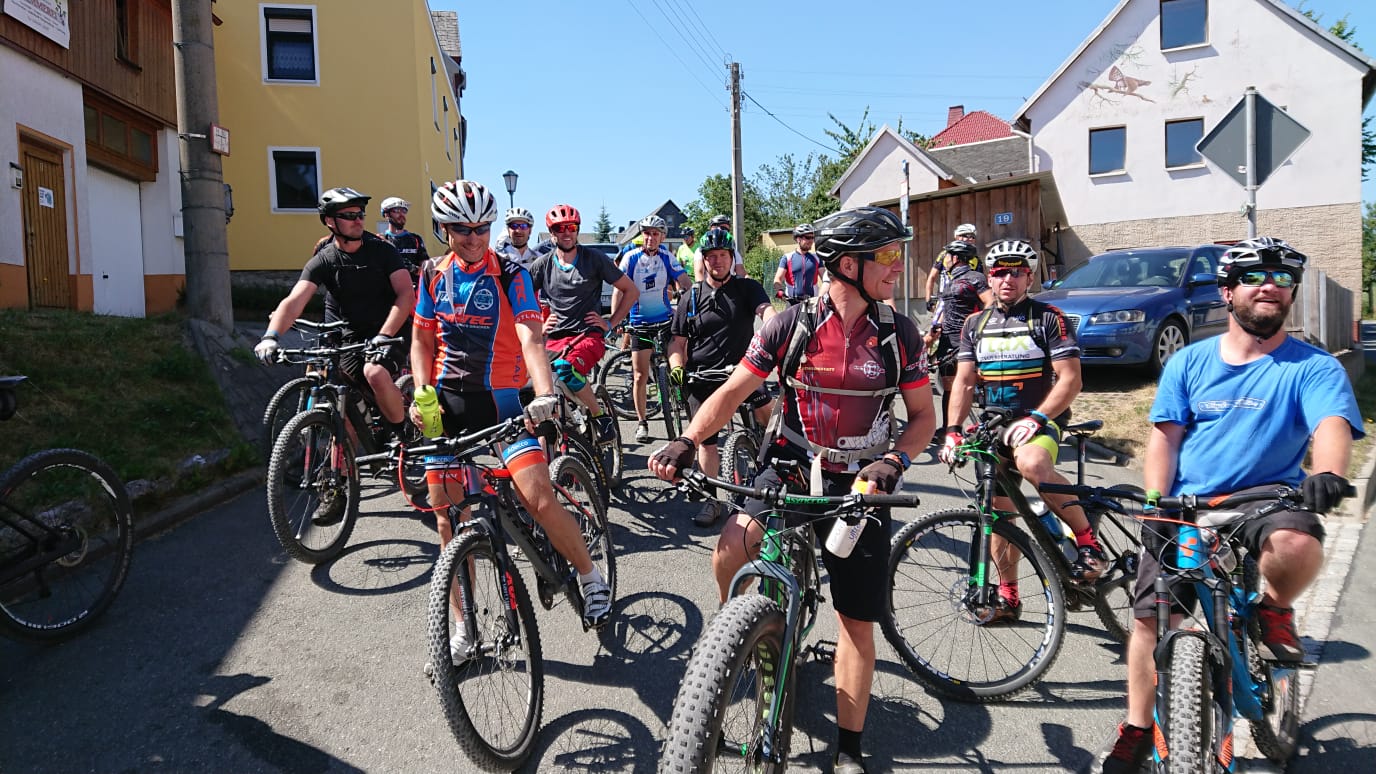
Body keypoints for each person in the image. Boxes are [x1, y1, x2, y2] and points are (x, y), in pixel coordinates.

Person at [651, 206, 936, 773]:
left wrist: (895, 460)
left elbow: (924, 416)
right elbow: (733, 391)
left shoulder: (897, 333)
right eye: (886, 255)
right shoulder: (790, 325)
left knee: (855, 622)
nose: (898, 265)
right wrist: (687, 439)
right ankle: (739, 634)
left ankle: (849, 748)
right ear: (848, 265)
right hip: (792, 462)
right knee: (731, 546)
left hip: (861, 480)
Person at [1101, 237, 1361, 773]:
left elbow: (1331, 424)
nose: (1269, 286)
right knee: (1150, 622)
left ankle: (1274, 609)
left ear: (1291, 293)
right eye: (1253, 277)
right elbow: (1165, 439)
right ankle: (1137, 726)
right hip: (1186, 504)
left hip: (1267, 499)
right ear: (1227, 292)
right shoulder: (1189, 362)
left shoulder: (1312, 366)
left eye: (1282, 278)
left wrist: (1329, 473)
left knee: (1296, 541)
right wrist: (1155, 502)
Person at [409, 180, 613, 648]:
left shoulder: (510, 275)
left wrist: (544, 393)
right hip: (448, 404)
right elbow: (421, 339)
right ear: (444, 229)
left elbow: (532, 338)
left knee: (538, 499)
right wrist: (421, 394)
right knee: (448, 520)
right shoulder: (432, 273)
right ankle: (463, 627)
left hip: (504, 401)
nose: (474, 238)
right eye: (463, 229)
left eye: (482, 228)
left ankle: (589, 576)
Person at [940, 239, 1106, 621]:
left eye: (1017, 272)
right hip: (994, 426)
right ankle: (1008, 597)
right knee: (999, 516)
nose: (1008, 279)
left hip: (1039, 419)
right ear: (989, 278)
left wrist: (1037, 418)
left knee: (1031, 463)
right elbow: (963, 383)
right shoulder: (975, 324)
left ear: (1029, 278)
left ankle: (1088, 544)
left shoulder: (1048, 318)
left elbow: (1070, 380)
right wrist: (952, 431)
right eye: (1000, 272)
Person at [255, 187, 415, 450]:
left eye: (360, 214)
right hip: (350, 332)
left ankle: (402, 434)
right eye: (350, 215)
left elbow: (405, 295)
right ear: (330, 221)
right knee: (341, 401)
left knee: (374, 372)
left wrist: (384, 335)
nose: (358, 220)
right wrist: (271, 337)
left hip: (390, 328)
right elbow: (295, 300)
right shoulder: (325, 257)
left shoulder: (383, 250)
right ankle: (343, 470)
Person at [665, 228, 776, 526]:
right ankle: (711, 501)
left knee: (769, 414)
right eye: (711, 256)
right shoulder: (691, 297)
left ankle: (779, 466)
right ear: (704, 260)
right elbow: (677, 341)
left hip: (743, 372)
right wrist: (677, 365)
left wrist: (777, 328)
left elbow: (766, 311)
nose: (717, 261)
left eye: (723, 255)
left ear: (731, 258)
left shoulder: (747, 288)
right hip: (702, 376)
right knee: (705, 441)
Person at [527, 204, 639, 442]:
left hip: (588, 335)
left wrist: (610, 323)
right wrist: (539, 324)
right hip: (555, 338)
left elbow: (631, 291)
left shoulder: (594, 259)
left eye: (571, 227)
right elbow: (522, 301)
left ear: (577, 229)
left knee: (566, 369)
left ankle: (599, 415)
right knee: (530, 379)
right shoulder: (542, 265)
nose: (566, 233)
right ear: (552, 232)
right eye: (560, 228)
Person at [614, 215, 691, 444]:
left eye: (655, 233)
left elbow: (685, 282)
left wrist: (686, 298)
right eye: (647, 233)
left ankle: (684, 400)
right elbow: (619, 289)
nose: (650, 237)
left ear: (662, 237)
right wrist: (617, 319)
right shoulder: (631, 258)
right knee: (640, 375)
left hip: (665, 322)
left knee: (682, 361)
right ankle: (642, 422)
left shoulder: (667, 257)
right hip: (640, 324)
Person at [923, 240, 992, 434]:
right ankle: (949, 429)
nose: (944, 260)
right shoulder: (950, 280)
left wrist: (974, 326)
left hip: (966, 340)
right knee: (948, 387)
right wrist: (933, 332)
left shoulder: (976, 278)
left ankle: (986, 427)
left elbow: (990, 303)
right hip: (947, 340)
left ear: (955, 258)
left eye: (946, 256)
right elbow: (946, 310)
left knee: (973, 384)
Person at [924, 222, 979, 316]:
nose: (970, 239)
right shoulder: (945, 255)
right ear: (957, 237)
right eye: (966, 236)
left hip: (966, 301)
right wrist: (928, 300)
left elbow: (979, 282)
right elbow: (932, 277)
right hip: (945, 299)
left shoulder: (975, 258)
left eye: (973, 237)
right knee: (938, 324)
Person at [377, 196, 430, 283]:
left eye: (404, 211)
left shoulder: (416, 239)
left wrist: (412, 268)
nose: (401, 214)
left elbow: (427, 271)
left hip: (414, 289)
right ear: (386, 214)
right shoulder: (380, 240)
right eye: (397, 210)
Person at [772, 223, 822, 305]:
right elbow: (778, 279)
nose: (811, 241)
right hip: (792, 303)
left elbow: (825, 278)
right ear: (798, 239)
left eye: (812, 238)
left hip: (813, 303)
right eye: (808, 237)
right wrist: (781, 293)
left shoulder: (817, 258)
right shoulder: (787, 258)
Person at [692, 214, 747, 279]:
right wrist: (700, 284)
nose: (719, 230)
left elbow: (741, 273)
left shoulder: (733, 251)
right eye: (715, 227)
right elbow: (699, 272)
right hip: (709, 284)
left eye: (724, 228)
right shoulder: (701, 251)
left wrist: (752, 283)